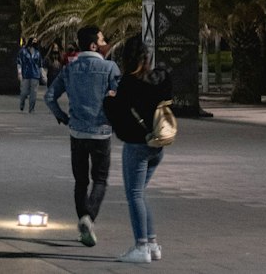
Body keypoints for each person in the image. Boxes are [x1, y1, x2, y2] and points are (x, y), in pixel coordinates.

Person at [45, 23, 120, 247]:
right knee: (100, 179)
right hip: (102, 132)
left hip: (76, 132)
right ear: (93, 45)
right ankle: (89, 217)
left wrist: (63, 116)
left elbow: (49, 97)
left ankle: (82, 223)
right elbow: (120, 97)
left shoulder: (70, 69)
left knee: (80, 181)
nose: (106, 43)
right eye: (103, 40)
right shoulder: (110, 68)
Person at [105, 35, 172, 265]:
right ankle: (152, 244)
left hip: (137, 146)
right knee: (140, 195)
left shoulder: (128, 83)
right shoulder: (158, 80)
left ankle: (141, 246)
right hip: (158, 145)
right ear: (147, 57)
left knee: (134, 195)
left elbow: (118, 115)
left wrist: (109, 100)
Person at [17, 38, 44, 113]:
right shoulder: (23, 52)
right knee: (24, 92)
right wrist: (19, 72)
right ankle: (22, 103)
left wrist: (42, 74)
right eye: (33, 41)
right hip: (25, 74)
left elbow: (40, 64)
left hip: (35, 74)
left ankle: (31, 108)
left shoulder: (37, 53)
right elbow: (19, 62)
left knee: (34, 92)